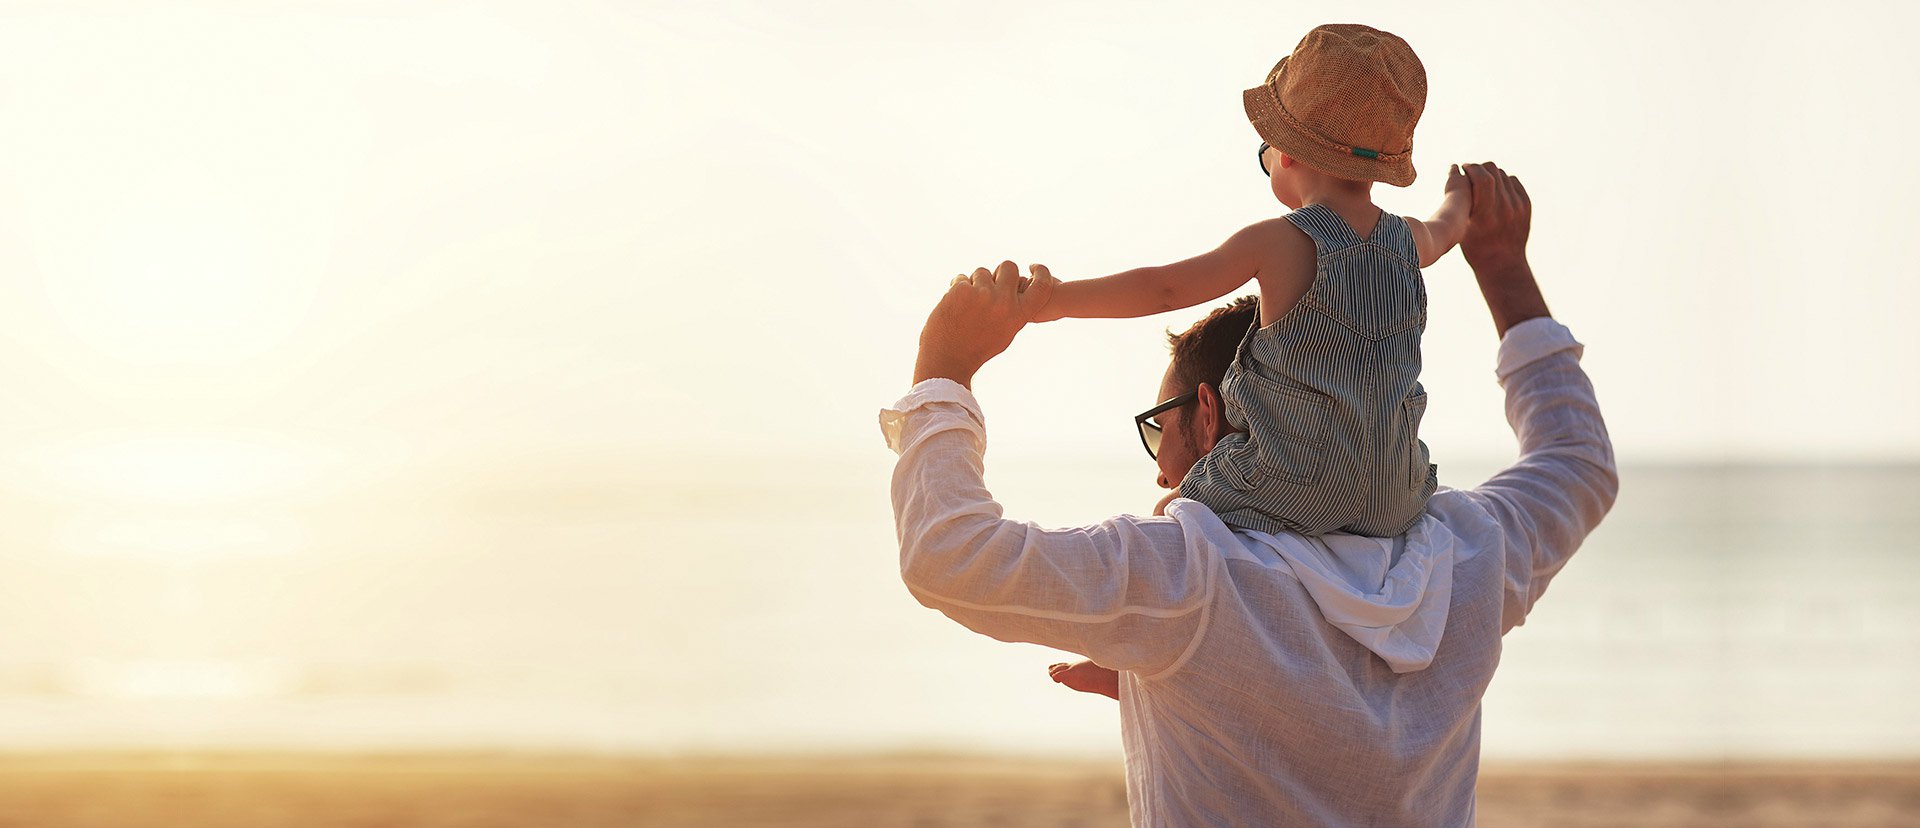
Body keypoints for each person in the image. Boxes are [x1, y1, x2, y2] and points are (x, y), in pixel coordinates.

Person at [881, 164, 1617, 825]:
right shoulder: (1466, 554)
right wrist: (1502, 268)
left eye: (1158, 429)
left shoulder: (1189, 578)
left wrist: (943, 373)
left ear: (1209, 413)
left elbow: (950, 558)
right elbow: (1577, 461)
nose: (1163, 472)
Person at [1026, 23, 1470, 539]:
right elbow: (1448, 226)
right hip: (1397, 494)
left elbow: (1164, 287)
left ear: (1288, 153)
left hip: (1293, 482)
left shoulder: (1279, 242)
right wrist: (1461, 194)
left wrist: (1054, 300)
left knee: (1172, 510)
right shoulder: (1408, 241)